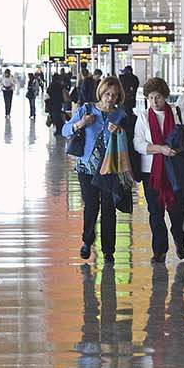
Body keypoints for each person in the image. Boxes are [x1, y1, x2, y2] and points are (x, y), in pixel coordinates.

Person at [62, 76, 130, 263]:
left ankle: (109, 250)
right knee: (91, 206)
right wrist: (81, 123)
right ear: (101, 92)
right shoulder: (87, 109)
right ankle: (87, 240)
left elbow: (128, 139)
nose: (110, 99)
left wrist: (119, 131)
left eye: (114, 96)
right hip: (86, 167)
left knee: (109, 208)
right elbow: (65, 130)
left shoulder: (121, 115)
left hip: (110, 167)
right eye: (107, 94)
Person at [133, 77, 184, 263]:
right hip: (152, 172)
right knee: (155, 212)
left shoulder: (176, 113)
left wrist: (176, 149)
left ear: (165, 96)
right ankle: (160, 250)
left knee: (177, 210)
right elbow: (138, 143)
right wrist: (160, 149)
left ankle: (179, 238)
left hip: (175, 170)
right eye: (150, 98)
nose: (154, 101)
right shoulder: (143, 117)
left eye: (157, 97)